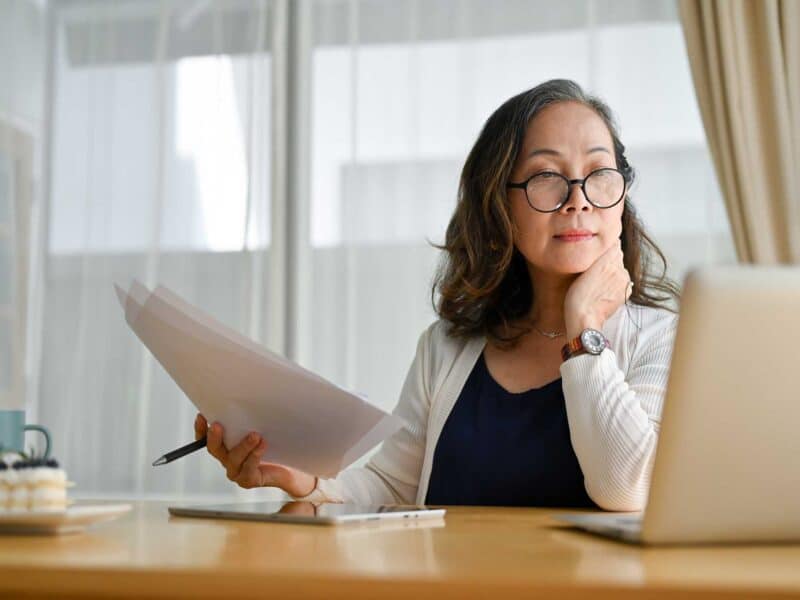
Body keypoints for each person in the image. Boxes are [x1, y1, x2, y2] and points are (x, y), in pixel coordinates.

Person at [194, 79, 680, 512]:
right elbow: (390, 485)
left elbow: (626, 490)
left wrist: (584, 330)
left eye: (599, 173)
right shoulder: (446, 347)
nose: (578, 198)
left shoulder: (662, 338)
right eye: (546, 177)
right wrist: (306, 482)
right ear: (500, 206)